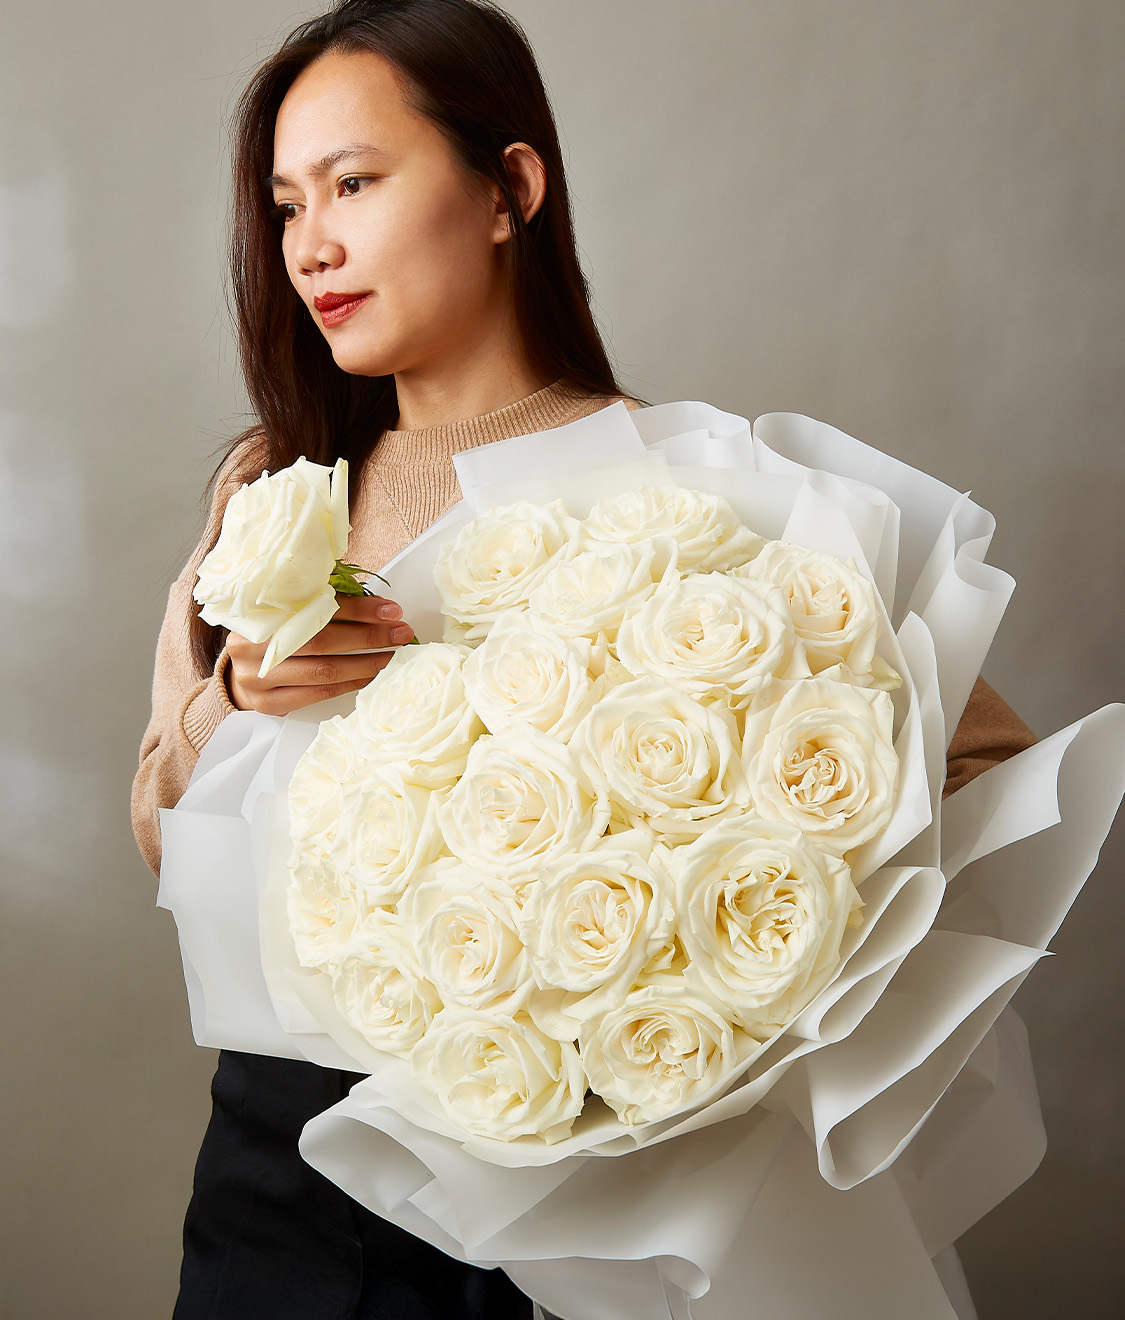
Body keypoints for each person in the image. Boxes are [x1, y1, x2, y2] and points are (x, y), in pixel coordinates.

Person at [131, 1, 1036, 1317]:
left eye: (354, 183)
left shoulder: (696, 486)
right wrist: (234, 702)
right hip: (290, 1188)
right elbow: (160, 830)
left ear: (509, 187)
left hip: (575, 1214)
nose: (310, 243)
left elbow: (981, 770)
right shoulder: (278, 490)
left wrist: (721, 954)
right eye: (283, 205)